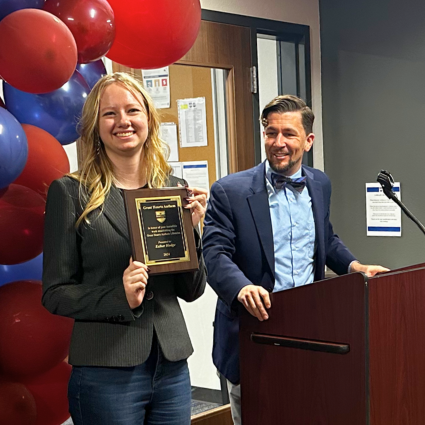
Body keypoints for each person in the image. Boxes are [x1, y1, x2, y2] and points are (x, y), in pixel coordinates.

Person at [202, 94, 388, 424]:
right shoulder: (228, 191)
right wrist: (242, 288)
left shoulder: (319, 183)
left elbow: (325, 238)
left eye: (288, 134)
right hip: (253, 332)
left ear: (308, 140)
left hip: (308, 332)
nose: (278, 143)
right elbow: (215, 254)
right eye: (271, 133)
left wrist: (353, 266)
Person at [42, 72, 207, 425]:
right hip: (105, 370)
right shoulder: (70, 192)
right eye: (109, 113)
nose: (123, 122)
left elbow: (191, 292)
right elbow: (55, 293)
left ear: (148, 118)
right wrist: (120, 297)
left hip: (172, 364)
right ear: (95, 125)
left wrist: (192, 235)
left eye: (132, 110)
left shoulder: (172, 189)